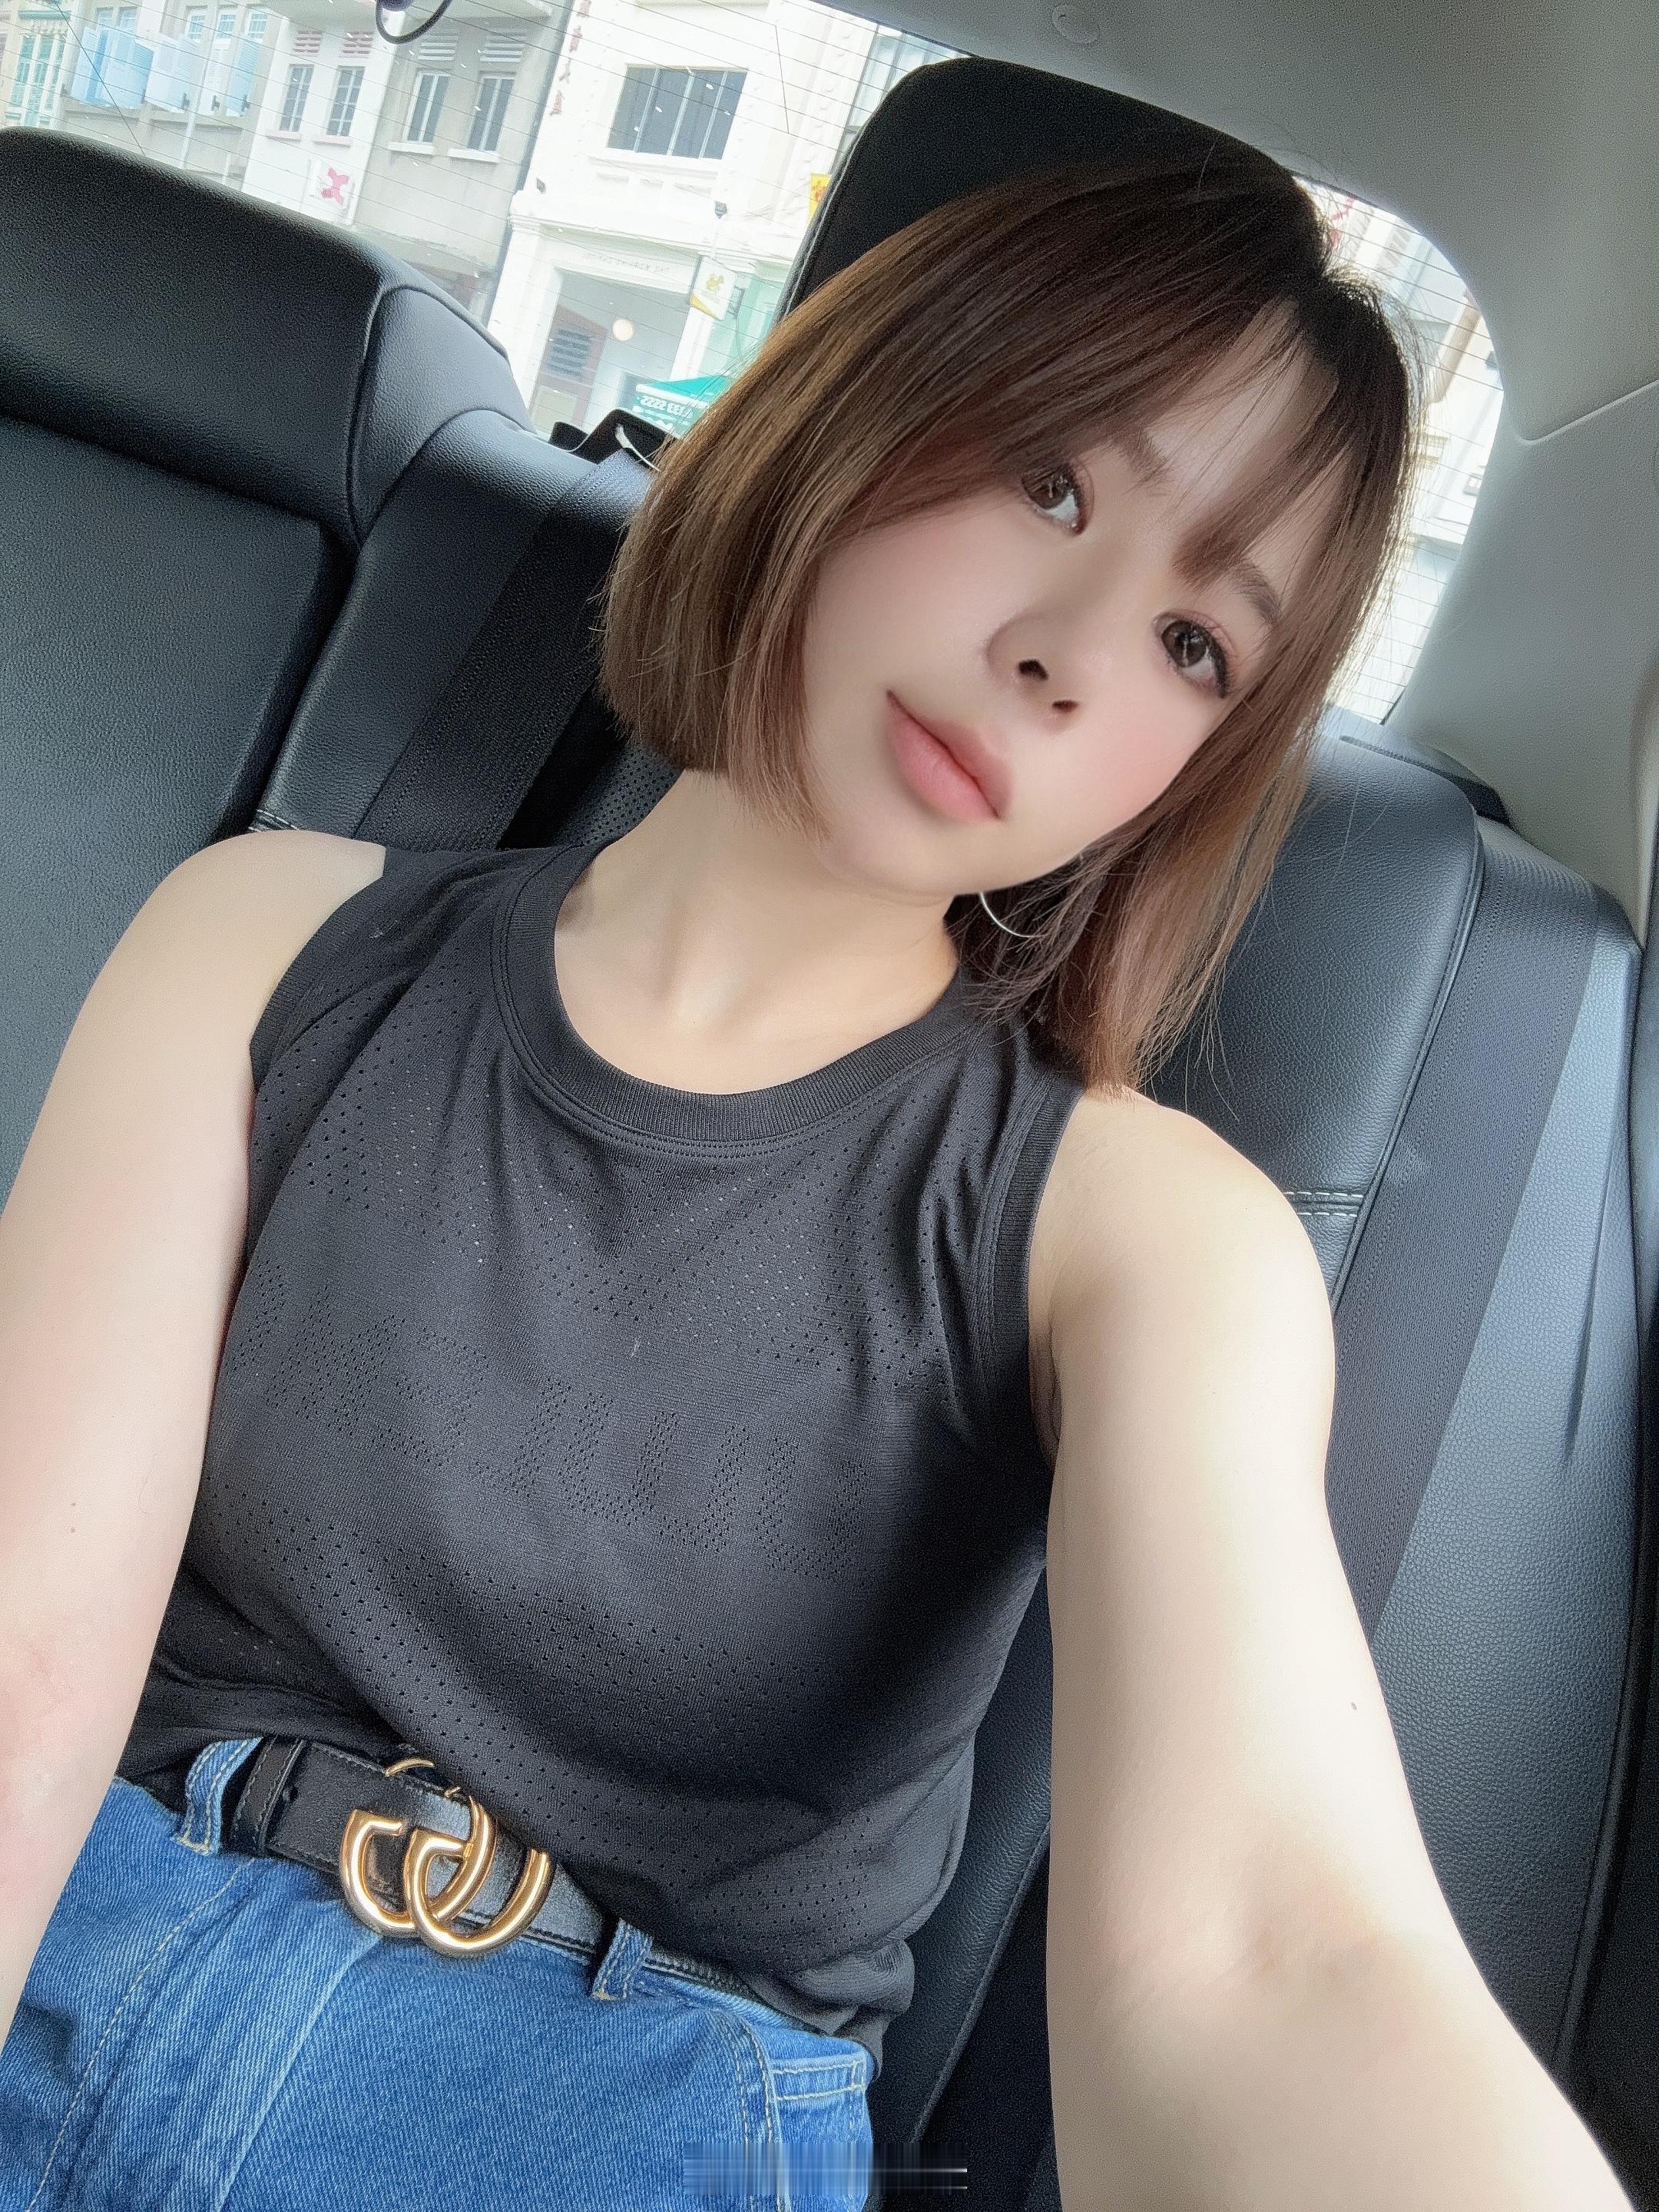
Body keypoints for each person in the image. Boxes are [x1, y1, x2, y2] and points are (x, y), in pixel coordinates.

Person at [0, 139, 1629, 2211]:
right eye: (1052, 481)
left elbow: (1260, 1957)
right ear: (853, 404)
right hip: (84, 1924)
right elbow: (24, 1652)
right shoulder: (266, 936)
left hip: (613, 2116)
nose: (1069, 651)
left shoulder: (1151, 1238)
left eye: (1196, 644)